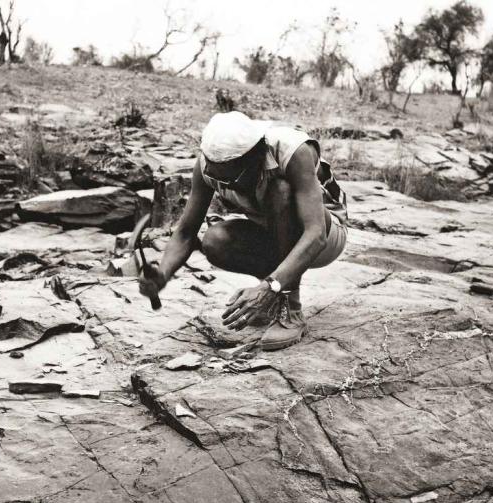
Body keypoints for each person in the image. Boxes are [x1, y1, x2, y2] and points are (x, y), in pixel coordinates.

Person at [139, 111, 348, 351]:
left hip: (326, 235)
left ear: (256, 156)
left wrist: (270, 287)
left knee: (280, 191)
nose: (229, 187)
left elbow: (316, 234)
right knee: (215, 240)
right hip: (273, 231)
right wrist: (163, 273)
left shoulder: (293, 151)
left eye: (233, 179)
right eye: (221, 182)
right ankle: (272, 296)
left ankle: (290, 308)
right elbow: (186, 232)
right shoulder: (210, 165)